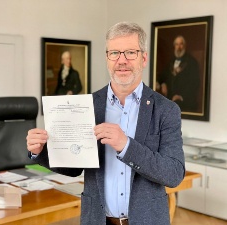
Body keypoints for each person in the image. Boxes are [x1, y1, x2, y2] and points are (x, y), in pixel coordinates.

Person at [26, 22, 185, 225]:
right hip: (97, 220)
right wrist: (41, 151)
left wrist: (126, 145)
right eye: (115, 53)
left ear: (143, 58)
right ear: (107, 58)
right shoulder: (87, 105)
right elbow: (73, 167)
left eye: (130, 53)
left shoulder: (166, 110)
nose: (122, 61)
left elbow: (173, 174)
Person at [157, 35, 200, 112]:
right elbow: (162, 75)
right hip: (170, 99)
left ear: (184, 46)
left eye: (181, 44)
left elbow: (195, 83)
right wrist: (163, 83)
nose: (179, 47)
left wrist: (181, 96)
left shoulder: (192, 62)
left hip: (185, 101)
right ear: (174, 46)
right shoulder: (171, 61)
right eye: (176, 44)